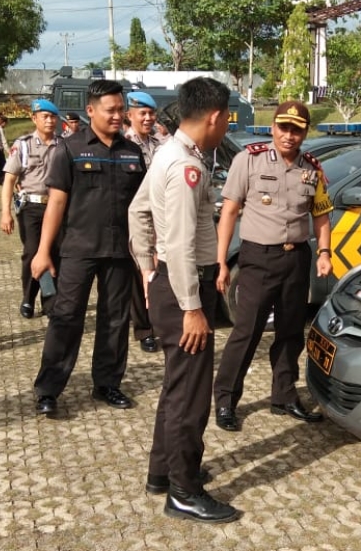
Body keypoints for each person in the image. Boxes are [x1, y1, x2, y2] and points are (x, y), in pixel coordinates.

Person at [129, 76, 239, 524]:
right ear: (214, 116)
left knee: (178, 387)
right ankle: (184, 491)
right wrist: (192, 307)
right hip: (185, 292)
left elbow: (137, 211)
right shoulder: (185, 166)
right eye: (227, 117)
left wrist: (147, 267)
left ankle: (164, 472)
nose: (227, 124)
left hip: (171, 284)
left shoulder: (168, 153)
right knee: (191, 396)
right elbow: (177, 243)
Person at [213, 100, 333, 432]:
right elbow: (229, 212)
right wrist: (221, 261)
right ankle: (225, 400)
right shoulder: (248, 160)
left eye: (296, 130)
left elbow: (321, 214)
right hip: (258, 259)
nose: (289, 135)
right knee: (247, 331)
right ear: (273, 127)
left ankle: (284, 396)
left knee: (291, 331)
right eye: (283, 127)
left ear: (305, 133)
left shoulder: (312, 168)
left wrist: (325, 252)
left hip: (297, 258)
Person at [31, 80, 145, 415]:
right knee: (66, 318)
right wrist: (43, 251)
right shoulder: (70, 149)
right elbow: (56, 203)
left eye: (121, 109)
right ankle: (48, 390)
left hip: (120, 252)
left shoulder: (132, 152)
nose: (118, 116)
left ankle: (107, 383)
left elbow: (143, 205)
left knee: (115, 320)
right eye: (111, 110)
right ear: (91, 110)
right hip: (78, 250)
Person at [0, 99, 62, 319]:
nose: (49, 121)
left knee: (54, 252)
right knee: (33, 252)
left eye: (53, 117)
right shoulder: (23, 145)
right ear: (34, 119)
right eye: (45, 116)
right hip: (31, 207)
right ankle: (28, 297)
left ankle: (50, 300)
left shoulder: (63, 145)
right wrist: (5, 213)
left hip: (56, 207)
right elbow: (9, 180)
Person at [123, 91, 164, 353]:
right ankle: (144, 330)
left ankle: (158, 320)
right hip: (134, 218)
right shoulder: (124, 146)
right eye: (142, 113)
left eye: (151, 113)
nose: (148, 118)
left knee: (157, 270)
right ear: (130, 115)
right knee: (138, 274)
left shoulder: (160, 144)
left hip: (158, 217)